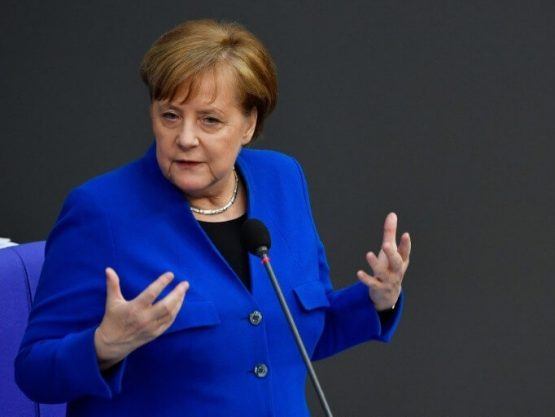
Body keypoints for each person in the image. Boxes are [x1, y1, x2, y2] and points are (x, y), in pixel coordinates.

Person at [15, 19, 411, 417]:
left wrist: (378, 301)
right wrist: (105, 345)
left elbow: (298, 335)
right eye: (170, 115)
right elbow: (34, 371)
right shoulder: (101, 211)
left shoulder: (283, 180)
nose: (185, 138)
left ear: (249, 124)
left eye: (210, 120)